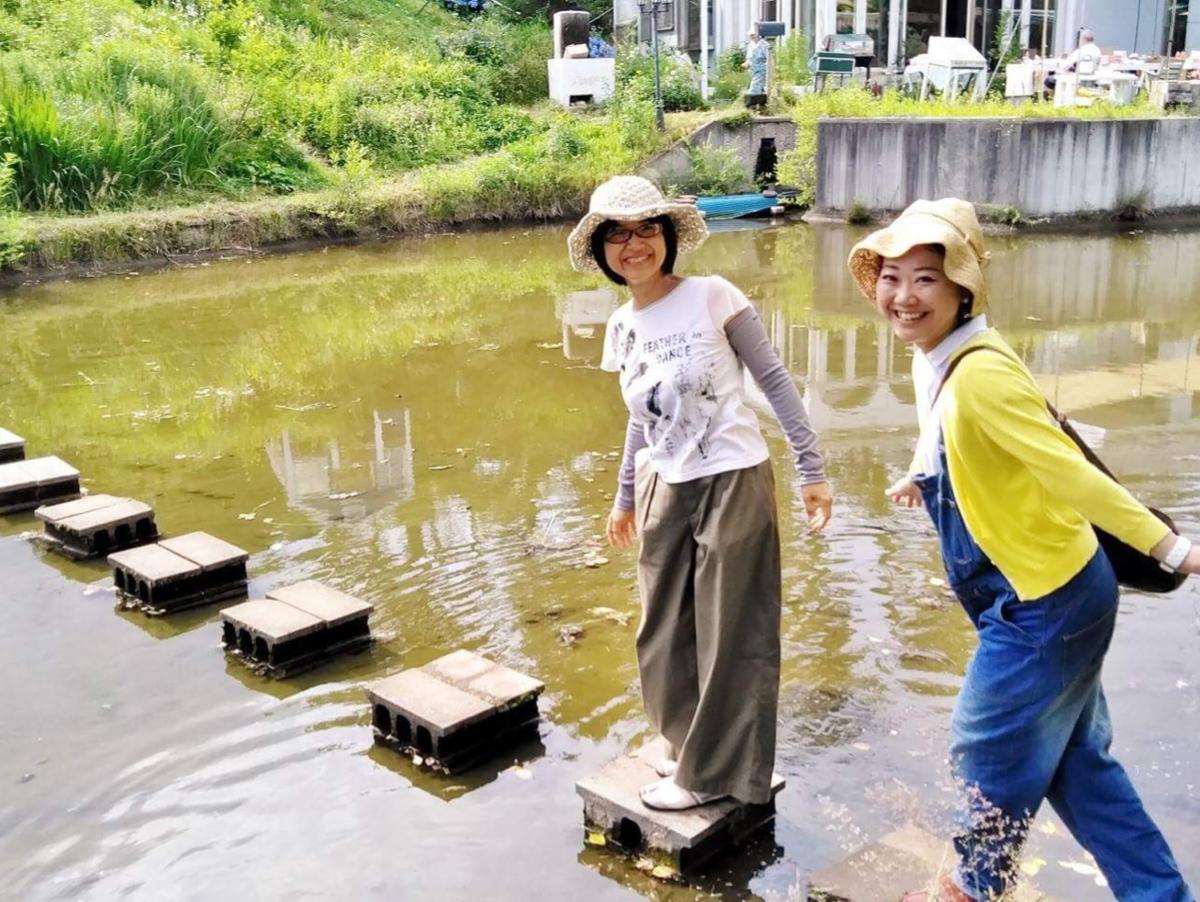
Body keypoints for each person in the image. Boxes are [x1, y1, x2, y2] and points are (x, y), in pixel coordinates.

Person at [847, 198, 1198, 901]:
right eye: (891, 276)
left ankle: (973, 888)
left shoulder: (981, 372)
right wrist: (928, 473)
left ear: (961, 289)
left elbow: (1069, 470)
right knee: (1077, 767)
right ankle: (1160, 895)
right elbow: (957, 428)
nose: (903, 296)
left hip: (1047, 601)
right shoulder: (944, 353)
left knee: (982, 740)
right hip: (1040, 587)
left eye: (925, 279)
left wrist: (1172, 548)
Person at [567, 176, 834, 811]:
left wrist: (812, 468)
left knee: (730, 628)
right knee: (661, 625)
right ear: (603, 250)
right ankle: (681, 737)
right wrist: (624, 495)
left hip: (734, 476)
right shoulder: (620, 325)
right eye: (618, 234)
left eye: (645, 229)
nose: (634, 245)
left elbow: (773, 379)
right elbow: (641, 418)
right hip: (665, 482)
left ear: (667, 236)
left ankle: (709, 776)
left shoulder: (714, 296)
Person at [745, 30, 769, 95]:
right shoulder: (750, 44)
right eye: (750, 35)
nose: (751, 37)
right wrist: (747, 62)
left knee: (756, 85)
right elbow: (749, 57)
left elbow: (768, 57)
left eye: (753, 35)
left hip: (761, 67)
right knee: (755, 85)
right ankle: (760, 100)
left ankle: (751, 98)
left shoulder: (764, 44)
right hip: (752, 68)